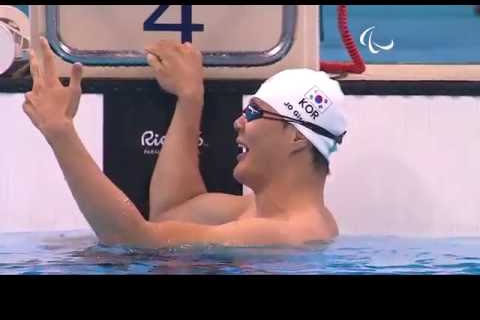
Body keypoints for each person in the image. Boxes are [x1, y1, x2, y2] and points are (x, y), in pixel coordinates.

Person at [23, 37, 347, 248]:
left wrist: (60, 133)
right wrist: (190, 99)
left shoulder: (288, 234)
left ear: (295, 136)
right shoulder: (257, 211)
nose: (239, 121)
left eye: (254, 112)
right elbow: (171, 213)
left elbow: (131, 238)